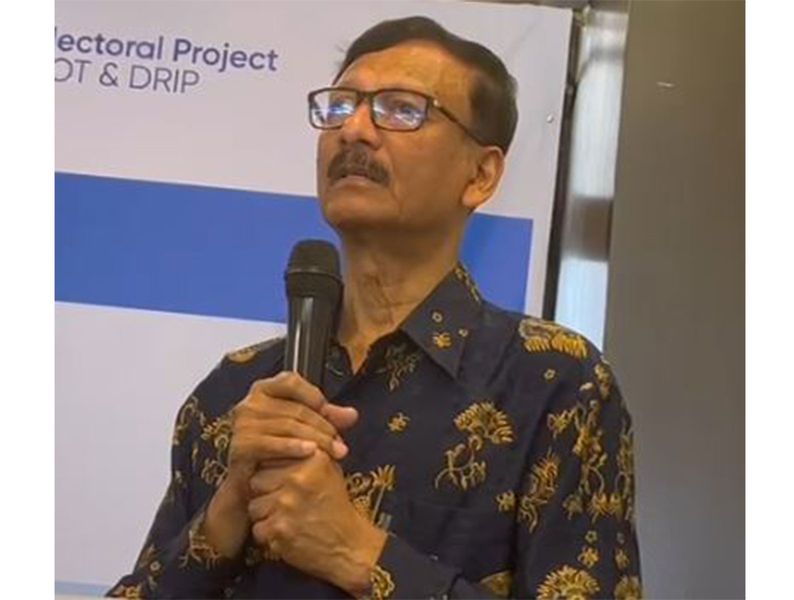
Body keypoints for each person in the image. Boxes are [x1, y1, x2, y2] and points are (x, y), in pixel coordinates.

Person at [109, 15, 642, 600]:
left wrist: (358, 554)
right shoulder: (236, 392)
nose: (354, 130)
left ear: (481, 174)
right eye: (341, 107)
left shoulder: (553, 383)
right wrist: (224, 516)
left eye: (401, 109)